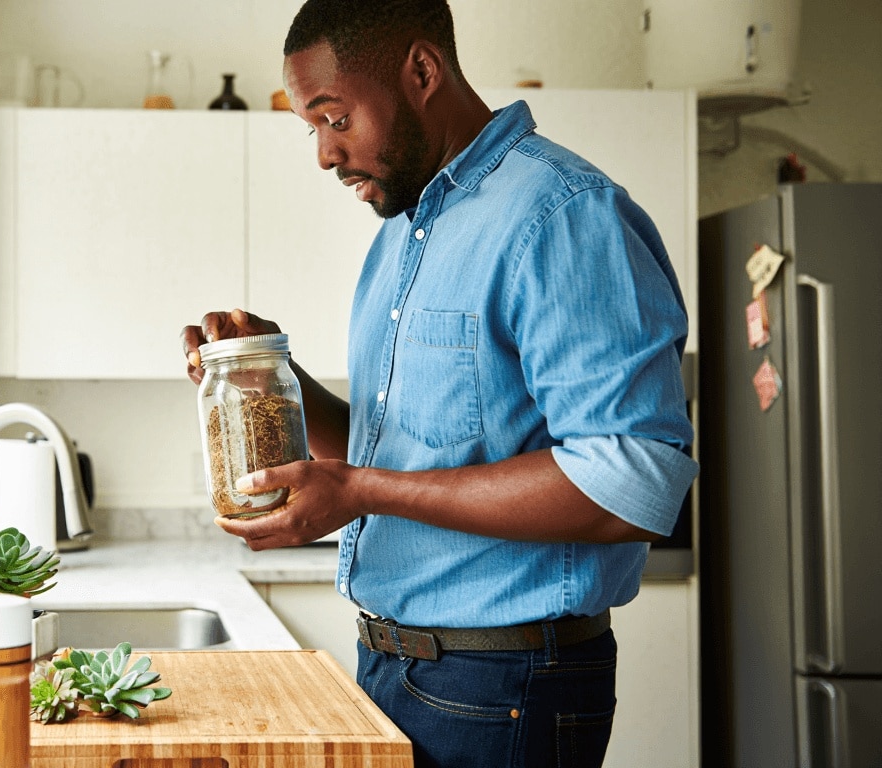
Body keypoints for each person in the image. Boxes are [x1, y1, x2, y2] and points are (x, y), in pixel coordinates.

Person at [179, 1, 698, 766]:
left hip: (504, 684)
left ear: (422, 71)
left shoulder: (560, 214)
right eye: (312, 129)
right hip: (395, 669)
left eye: (335, 117)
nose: (324, 154)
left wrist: (362, 492)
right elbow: (402, 448)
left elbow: (635, 482)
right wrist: (267, 373)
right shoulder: (402, 234)